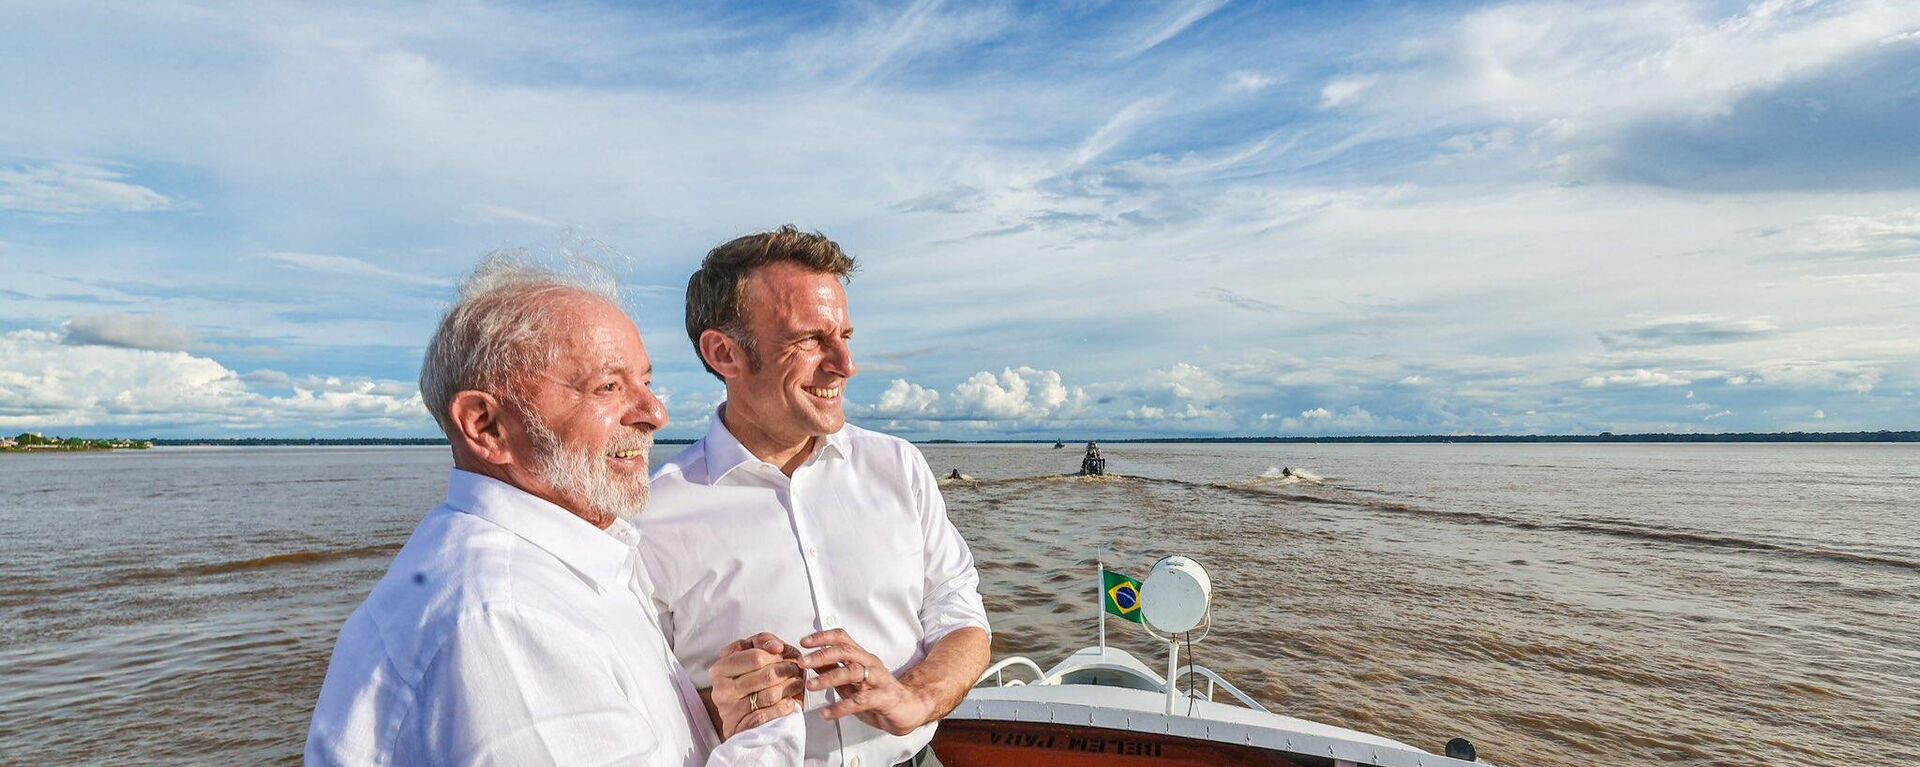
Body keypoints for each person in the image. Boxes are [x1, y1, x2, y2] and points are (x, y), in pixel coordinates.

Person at [306, 253, 804, 766]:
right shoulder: (508, 618)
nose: (655, 413)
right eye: (608, 386)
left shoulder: (565, 563)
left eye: (646, 383)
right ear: (486, 425)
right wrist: (772, 734)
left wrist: (717, 715)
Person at [640, 227, 991, 767]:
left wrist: (914, 695)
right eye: (809, 339)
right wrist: (719, 710)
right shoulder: (648, 512)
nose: (844, 364)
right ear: (724, 353)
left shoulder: (898, 466)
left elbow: (960, 612)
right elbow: (632, 702)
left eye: (845, 335)